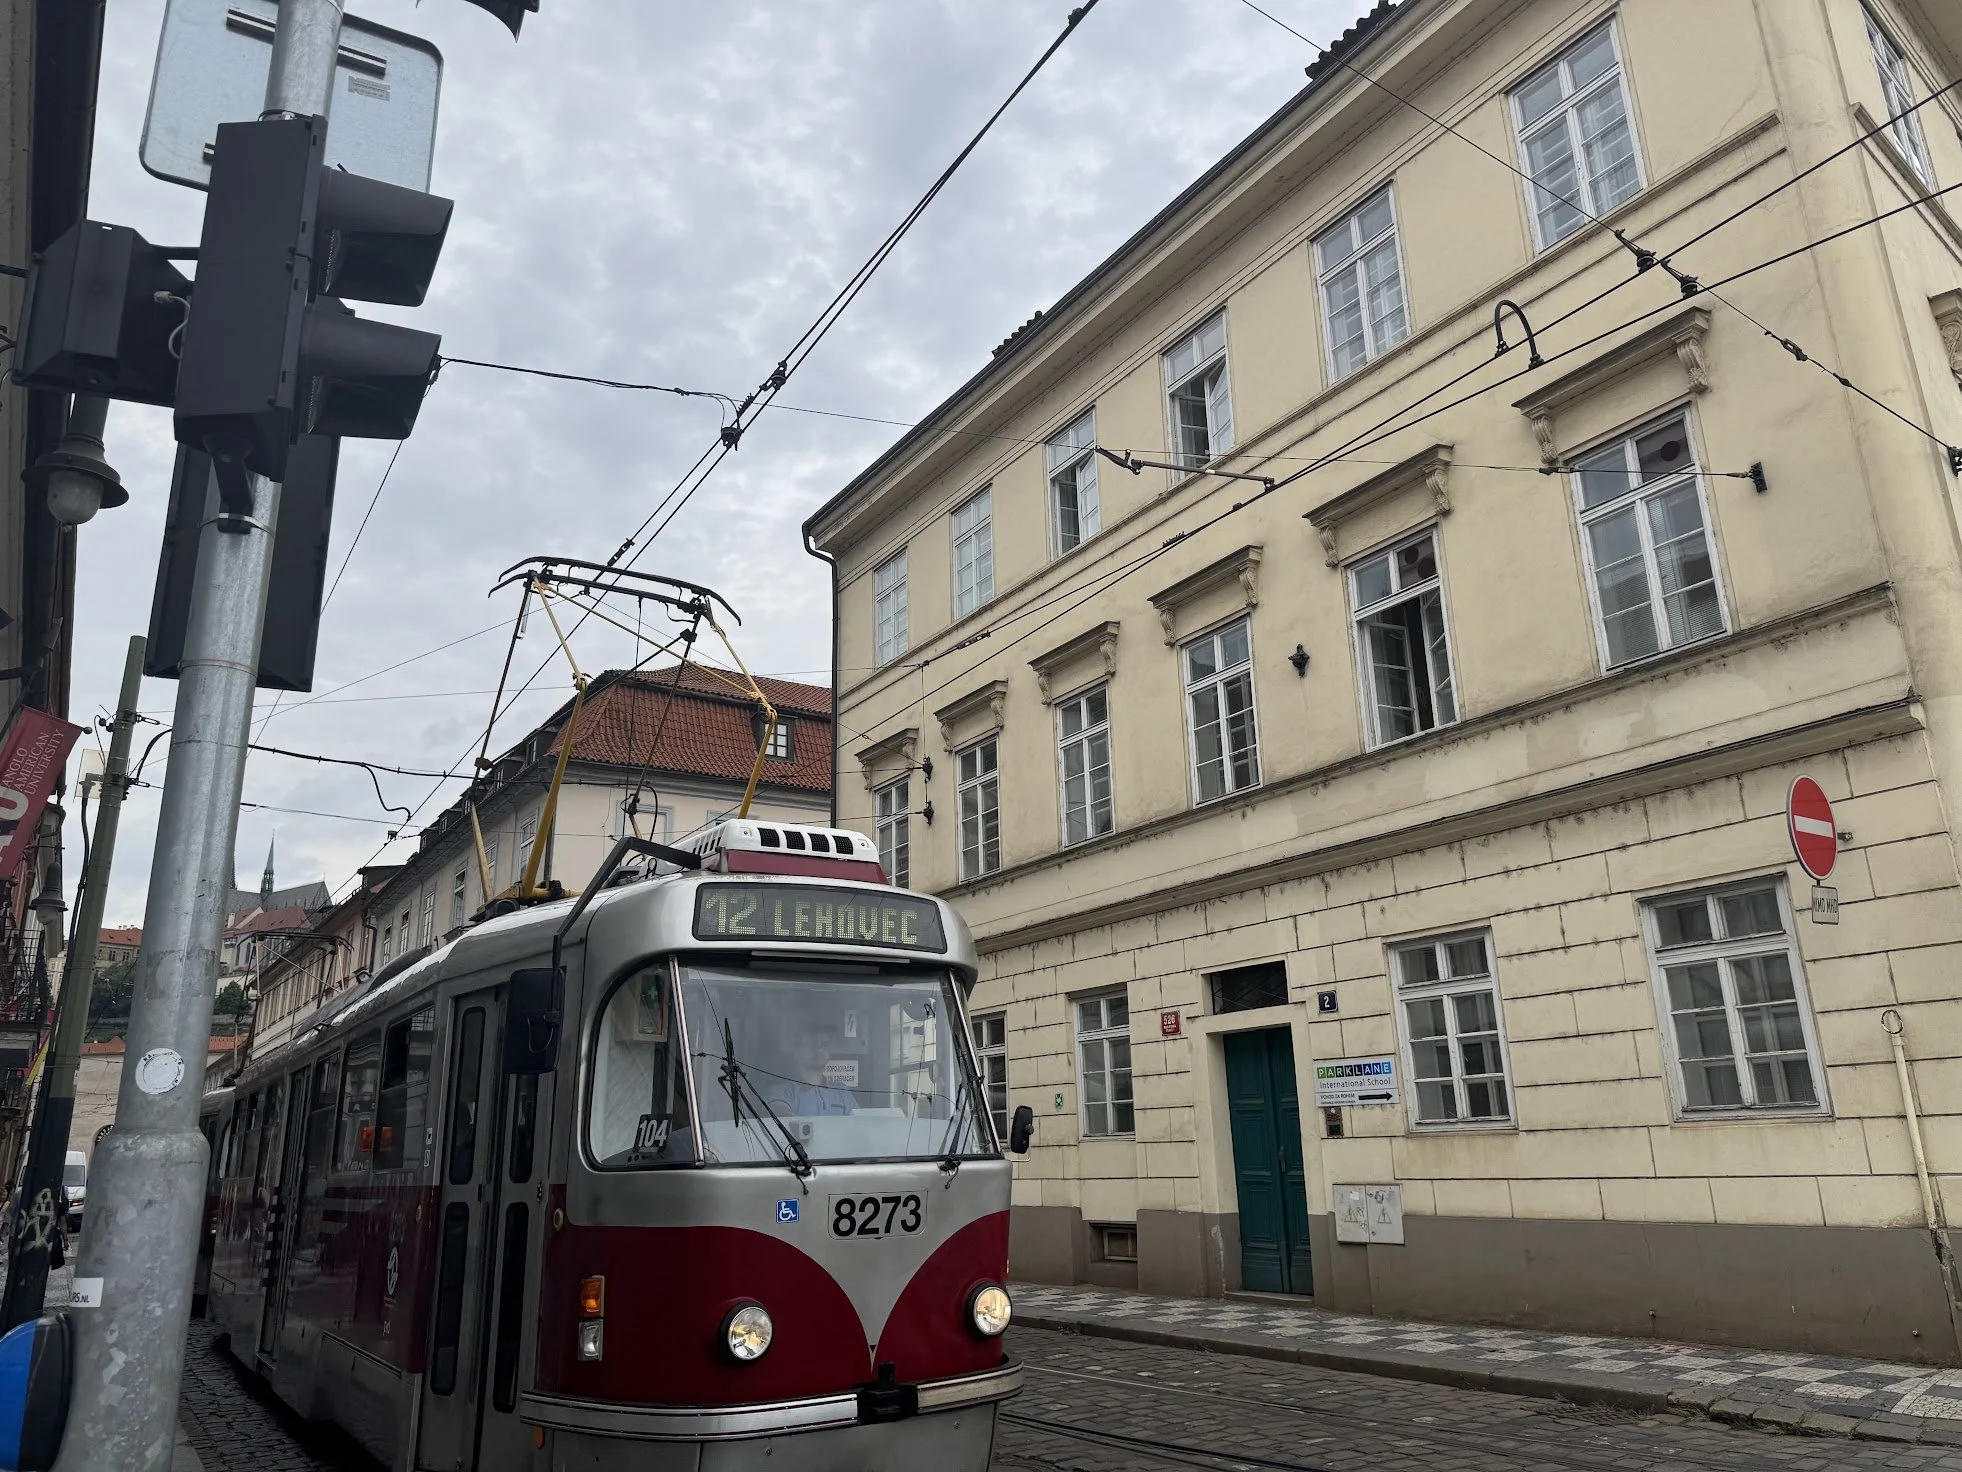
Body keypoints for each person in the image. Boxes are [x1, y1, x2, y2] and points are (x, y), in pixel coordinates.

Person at [768, 1025, 856, 1116]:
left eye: (824, 1044)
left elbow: (860, 1124)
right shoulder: (782, 1091)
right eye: (811, 1043)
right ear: (796, 1051)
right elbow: (781, 1117)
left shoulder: (841, 1091)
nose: (819, 1048)